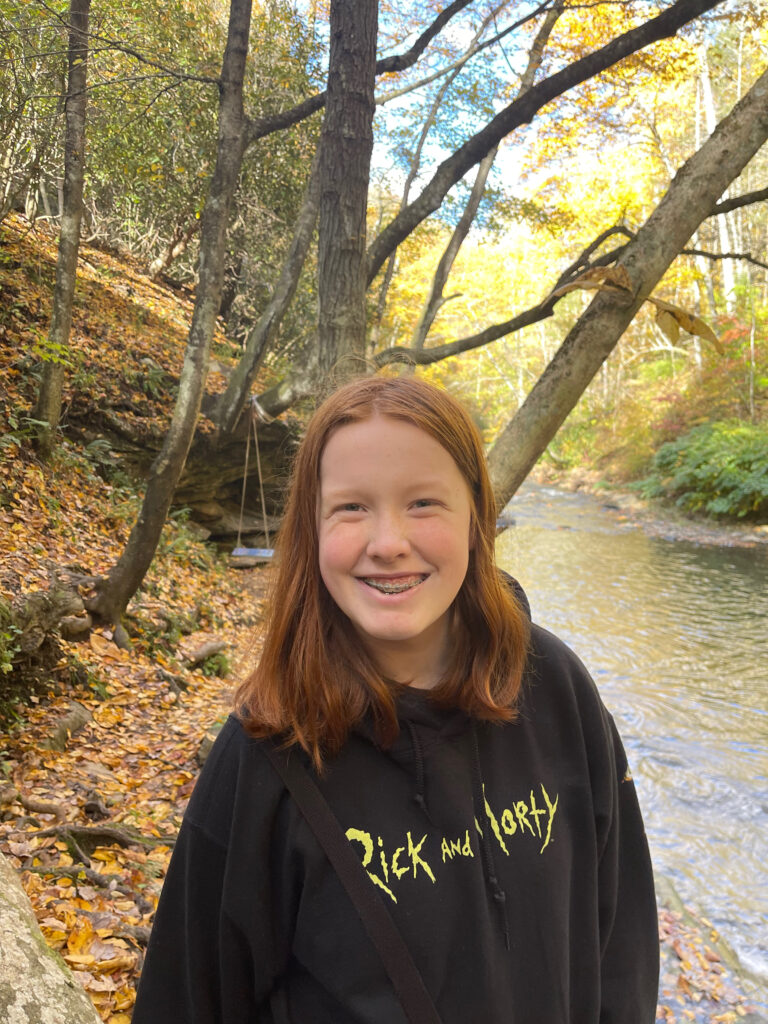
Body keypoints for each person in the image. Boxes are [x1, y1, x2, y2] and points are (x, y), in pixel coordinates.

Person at [133, 376, 659, 1024]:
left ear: (475, 517)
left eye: (423, 504)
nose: (387, 542)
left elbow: (622, 945)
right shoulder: (264, 756)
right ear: (312, 527)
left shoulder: (557, 691)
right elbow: (186, 1000)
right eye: (352, 507)